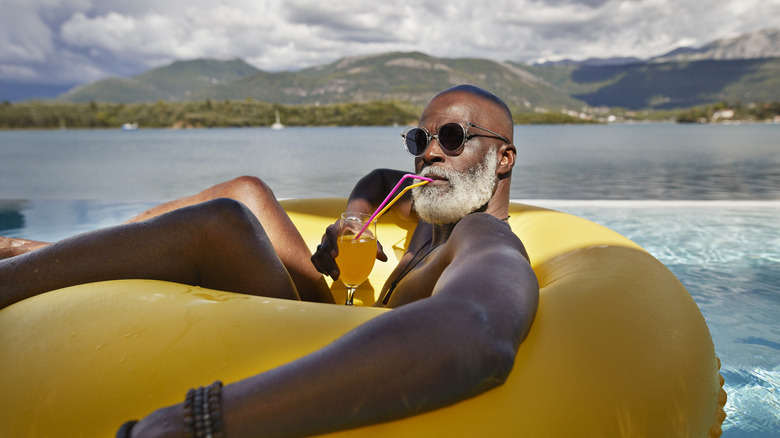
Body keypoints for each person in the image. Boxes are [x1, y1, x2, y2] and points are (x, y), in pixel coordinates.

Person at [0, 85, 539, 438]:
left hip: (340, 347)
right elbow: (379, 181)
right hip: (335, 309)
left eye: (451, 138)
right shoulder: (435, 201)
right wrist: (352, 220)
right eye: (420, 139)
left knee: (220, 224)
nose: (429, 154)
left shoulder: (479, 233)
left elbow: (479, 331)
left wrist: (204, 421)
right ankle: (54, 253)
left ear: (504, 157)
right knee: (246, 191)